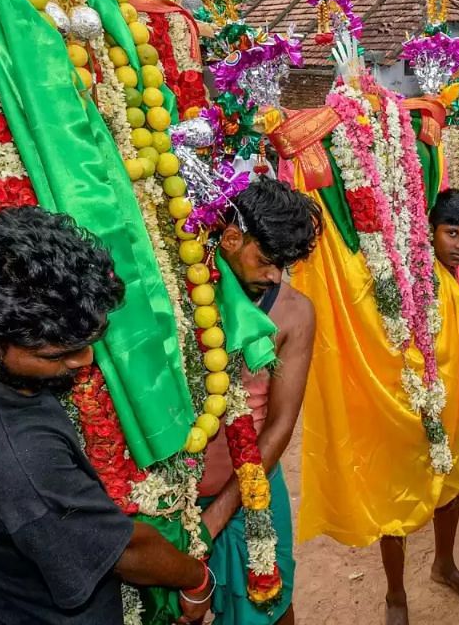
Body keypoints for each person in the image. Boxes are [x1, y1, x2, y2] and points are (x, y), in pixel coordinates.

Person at [0, 207, 213, 624]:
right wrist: (196, 580)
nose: (85, 360)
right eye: (57, 354)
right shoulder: (18, 461)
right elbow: (125, 551)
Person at [196, 178, 322, 625]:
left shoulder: (292, 312)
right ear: (231, 238)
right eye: (267, 261)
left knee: (270, 607)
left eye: (283, 266)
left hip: (252, 492)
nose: (274, 276)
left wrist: (214, 520)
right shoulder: (180, 292)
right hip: (174, 497)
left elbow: (280, 425)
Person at [371, 189, 459, 617]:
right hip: (410, 407)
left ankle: (444, 565)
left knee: (451, 487)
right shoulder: (409, 276)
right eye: (452, 234)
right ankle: (395, 594)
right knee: (397, 501)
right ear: (430, 231)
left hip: (455, 403)